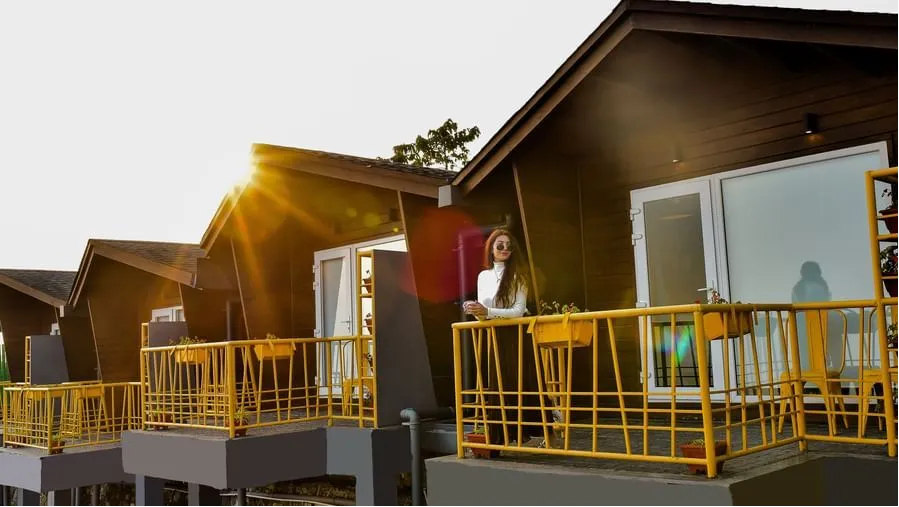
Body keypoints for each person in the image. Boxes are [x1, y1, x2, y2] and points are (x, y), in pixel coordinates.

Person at [463, 228, 556, 449]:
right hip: (494, 335)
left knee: (527, 382)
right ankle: (506, 435)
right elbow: (483, 312)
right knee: (499, 384)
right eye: (500, 245)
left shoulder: (518, 275)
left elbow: (518, 310)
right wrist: (476, 310)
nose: (505, 249)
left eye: (508, 246)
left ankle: (547, 434)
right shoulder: (483, 276)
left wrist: (487, 313)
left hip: (516, 334)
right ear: (492, 249)